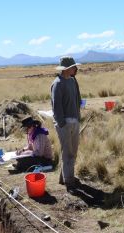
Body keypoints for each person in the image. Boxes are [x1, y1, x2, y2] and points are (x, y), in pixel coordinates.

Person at [51, 56, 82, 188]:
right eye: (74, 67)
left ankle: (64, 177)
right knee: (67, 152)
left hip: (74, 120)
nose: (76, 69)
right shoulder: (57, 83)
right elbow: (56, 106)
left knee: (73, 151)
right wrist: (62, 123)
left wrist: (77, 116)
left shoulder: (73, 81)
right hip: (64, 123)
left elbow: (78, 99)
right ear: (67, 69)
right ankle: (69, 182)